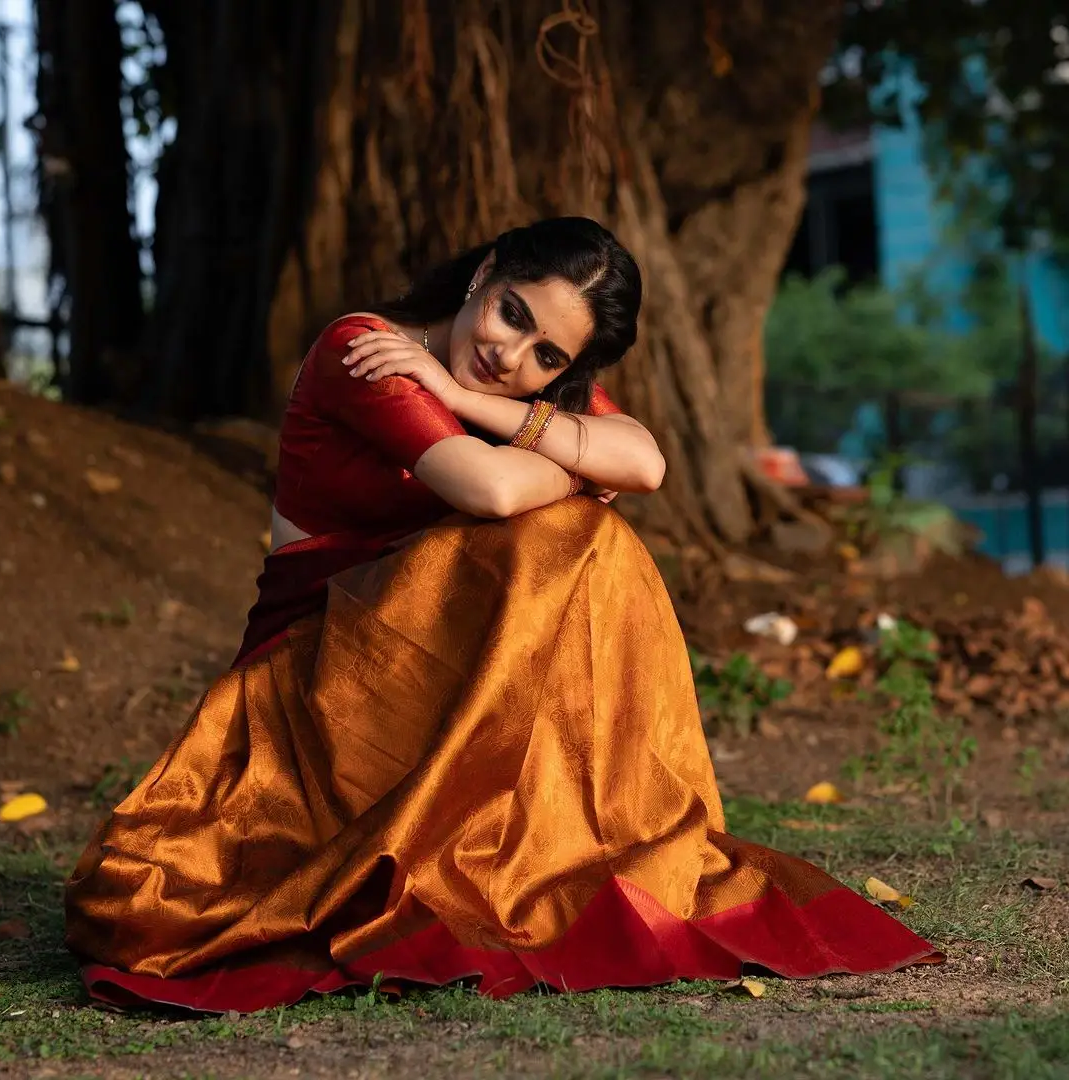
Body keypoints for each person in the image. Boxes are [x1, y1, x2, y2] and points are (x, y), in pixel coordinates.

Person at [64, 217, 940, 1012]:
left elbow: (647, 461)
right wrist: (572, 459)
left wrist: (483, 408)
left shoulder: (491, 392)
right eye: (511, 313)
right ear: (484, 270)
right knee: (563, 530)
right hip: (311, 696)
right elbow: (488, 488)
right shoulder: (367, 351)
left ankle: (581, 836)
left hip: (423, 691)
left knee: (583, 536)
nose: (510, 352)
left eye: (548, 359)